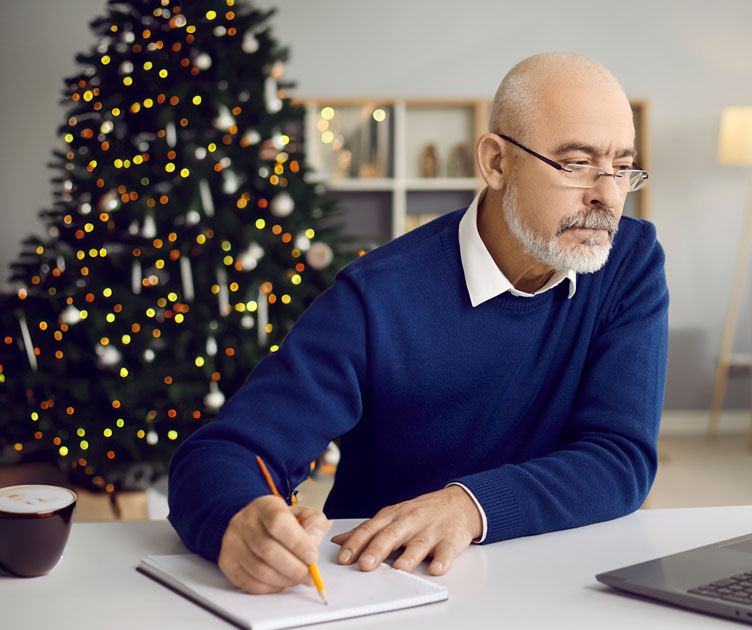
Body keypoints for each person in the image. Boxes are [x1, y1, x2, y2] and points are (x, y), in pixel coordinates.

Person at [167, 52, 668, 595]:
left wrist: (469, 507)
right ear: (497, 163)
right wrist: (241, 521)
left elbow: (619, 455)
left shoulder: (628, 260)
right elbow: (224, 456)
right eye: (576, 164)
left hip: (561, 583)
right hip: (389, 587)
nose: (609, 195)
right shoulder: (378, 295)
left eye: (621, 166)